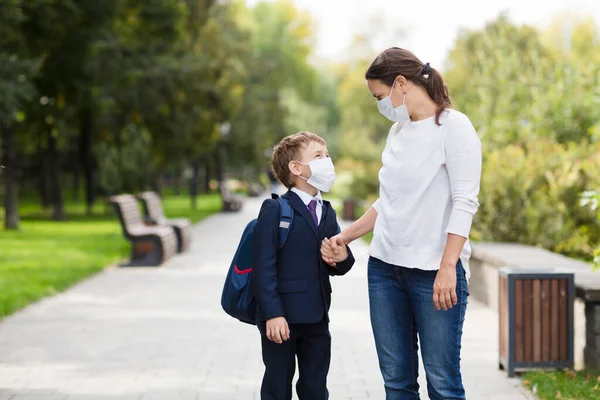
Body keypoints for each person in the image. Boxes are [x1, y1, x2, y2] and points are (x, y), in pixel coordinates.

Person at [321, 47, 482, 400]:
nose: (381, 105)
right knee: (396, 385)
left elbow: (464, 202)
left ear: (400, 83)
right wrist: (345, 237)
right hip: (384, 270)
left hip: (433, 273)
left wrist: (447, 267)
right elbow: (389, 202)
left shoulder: (454, 127)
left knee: (443, 384)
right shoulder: (399, 131)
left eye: (379, 96)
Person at [253, 131, 355, 400]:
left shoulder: (327, 210)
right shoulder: (275, 210)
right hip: (282, 319)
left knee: (315, 387)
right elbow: (263, 267)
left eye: (327, 155)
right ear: (296, 168)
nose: (327, 161)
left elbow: (340, 261)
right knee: (277, 386)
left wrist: (342, 258)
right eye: (318, 156)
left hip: (317, 318)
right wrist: (272, 314)